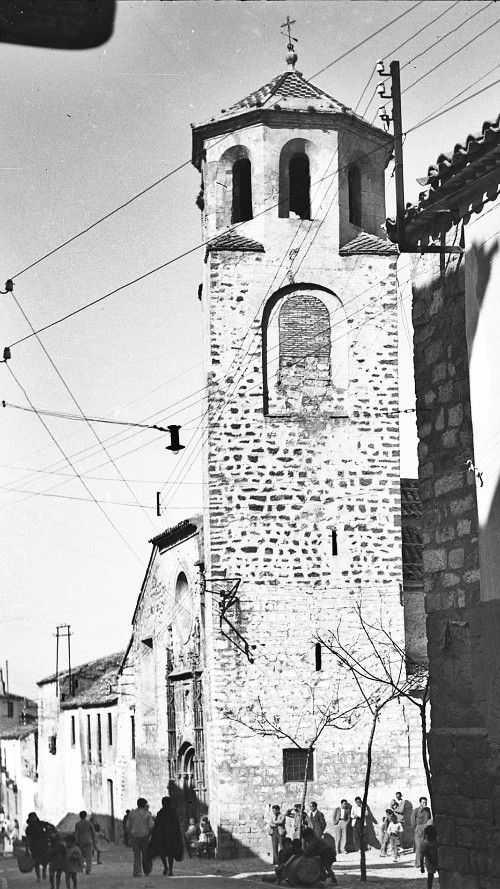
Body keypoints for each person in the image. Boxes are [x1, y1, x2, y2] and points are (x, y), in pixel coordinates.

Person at [148, 796, 184, 876]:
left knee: (163, 852)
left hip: (162, 836)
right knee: (171, 853)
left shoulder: (160, 813)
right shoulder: (173, 812)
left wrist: (155, 835)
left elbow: (157, 826)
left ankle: (166, 867)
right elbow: (176, 825)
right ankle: (170, 869)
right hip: (171, 836)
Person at [126, 797, 154, 877]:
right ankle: (147, 870)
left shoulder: (132, 813)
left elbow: (128, 826)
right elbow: (151, 826)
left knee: (136, 855)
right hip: (144, 836)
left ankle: (137, 872)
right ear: (145, 805)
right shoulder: (147, 814)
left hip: (134, 836)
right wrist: (149, 834)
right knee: (145, 854)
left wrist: (130, 835)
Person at [26, 812, 50, 882]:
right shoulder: (29, 828)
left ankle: (44, 872)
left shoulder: (42, 824)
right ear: (29, 819)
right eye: (31, 818)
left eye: (34, 817)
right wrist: (27, 849)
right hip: (34, 846)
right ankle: (38, 876)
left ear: (36, 817)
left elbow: (49, 828)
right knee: (36, 861)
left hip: (44, 844)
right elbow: (28, 838)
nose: (33, 819)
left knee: (45, 860)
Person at [412, 797, 432, 868]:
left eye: (425, 802)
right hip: (419, 830)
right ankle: (418, 864)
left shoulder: (428, 810)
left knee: (427, 846)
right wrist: (418, 829)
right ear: (420, 803)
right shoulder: (416, 811)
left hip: (426, 829)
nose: (425, 804)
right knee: (419, 847)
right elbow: (413, 822)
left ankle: (427, 863)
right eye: (423, 802)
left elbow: (429, 819)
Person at [420, 823, 438, 889]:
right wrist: (422, 867)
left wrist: (422, 867)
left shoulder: (435, 841)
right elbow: (421, 856)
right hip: (430, 861)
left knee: (432, 877)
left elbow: (421, 856)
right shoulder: (426, 844)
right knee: (430, 877)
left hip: (436, 860)